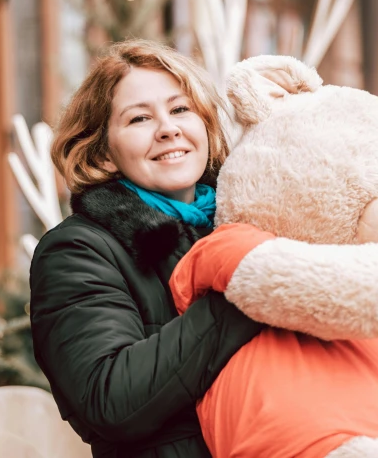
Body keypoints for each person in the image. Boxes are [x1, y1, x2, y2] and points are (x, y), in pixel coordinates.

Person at [29, 39, 262, 458]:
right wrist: (251, 291)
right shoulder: (76, 251)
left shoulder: (249, 225)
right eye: (139, 118)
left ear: (204, 125)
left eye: (179, 109)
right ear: (103, 153)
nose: (168, 129)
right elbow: (110, 400)